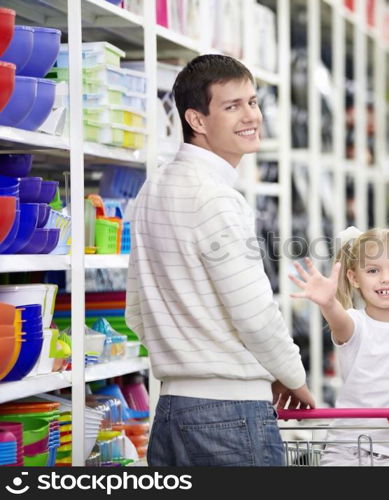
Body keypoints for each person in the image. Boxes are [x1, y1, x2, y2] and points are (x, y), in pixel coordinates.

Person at [125, 54, 314, 467]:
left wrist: (185, 354)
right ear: (197, 120)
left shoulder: (152, 191)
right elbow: (255, 313)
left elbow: (136, 310)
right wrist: (294, 376)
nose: (251, 116)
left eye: (253, 101)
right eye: (232, 106)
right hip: (231, 417)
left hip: (171, 413)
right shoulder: (216, 198)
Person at [289, 226, 389, 466]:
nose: (386, 278)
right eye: (373, 270)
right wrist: (328, 303)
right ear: (354, 277)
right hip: (343, 451)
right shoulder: (354, 323)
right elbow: (339, 320)